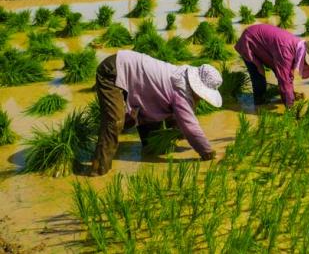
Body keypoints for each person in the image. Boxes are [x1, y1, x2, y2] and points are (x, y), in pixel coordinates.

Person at [88, 50, 223, 176]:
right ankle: (99, 169)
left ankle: (148, 152)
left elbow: (179, 118)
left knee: (153, 144)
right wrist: (208, 153)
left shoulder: (183, 79)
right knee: (115, 122)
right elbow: (191, 128)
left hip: (133, 76)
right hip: (113, 71)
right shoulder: (182, 91)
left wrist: (176, 133)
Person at [234, 23, 309, 108]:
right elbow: (284, 79)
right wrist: (290, 106)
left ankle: (286, 96)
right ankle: (259, 104)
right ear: (305, 54)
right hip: (249, 40)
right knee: (259, 75)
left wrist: (291, 94)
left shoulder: (298, 46)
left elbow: (289, 74)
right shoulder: (286, 51)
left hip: (264, 44)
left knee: (283, 75)